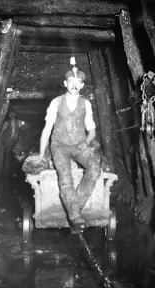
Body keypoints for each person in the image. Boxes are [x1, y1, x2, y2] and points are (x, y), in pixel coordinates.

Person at [33, 66, 100, 232]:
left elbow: (91, 131)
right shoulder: (56, 102)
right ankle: (76, 218)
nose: (75, 86)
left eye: (79, 83)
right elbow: (47, 129)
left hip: (79, 145)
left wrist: (87, 142)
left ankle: (74, 207)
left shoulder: (86, 104)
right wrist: (42, 152)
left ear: (82, 85)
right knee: (65, 178)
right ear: (65, 83)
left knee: (94, 168)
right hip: (59, 146)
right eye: (71, 82)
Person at [0, 111, 24, 177]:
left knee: (7, 158)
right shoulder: (7, 122)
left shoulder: (19, 122)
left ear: (15, 114)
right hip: (2, 142)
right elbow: (1, 132)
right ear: (9, 115)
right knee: (0, 158)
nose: (11, 115)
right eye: (10, 114)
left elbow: (26, 126)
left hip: (10, 143)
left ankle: (5, 173)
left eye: (13, 113)